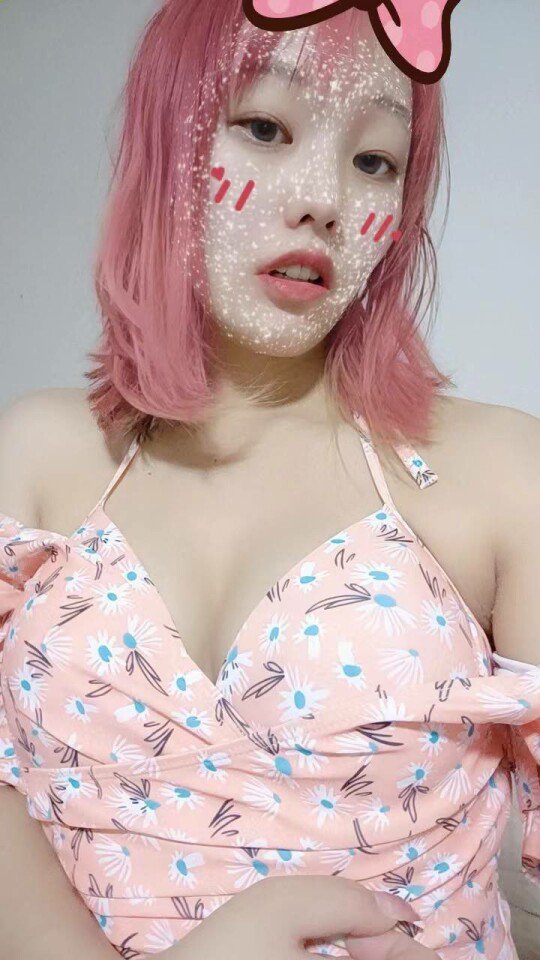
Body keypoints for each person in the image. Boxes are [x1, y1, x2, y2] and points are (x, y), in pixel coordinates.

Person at [0, 2, 539, 959]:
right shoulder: (39, 456)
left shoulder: (500, 476)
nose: (324, 199)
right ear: (166, 146)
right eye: (264, 127)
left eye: (374, 159)